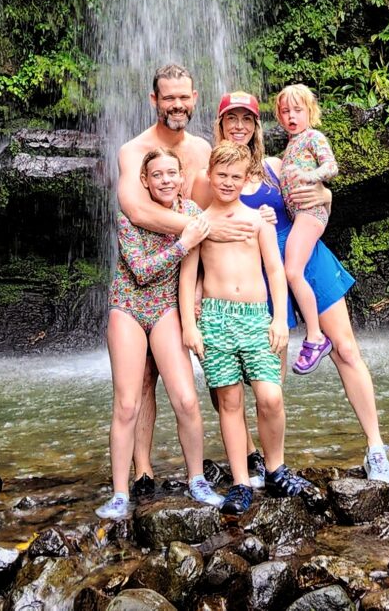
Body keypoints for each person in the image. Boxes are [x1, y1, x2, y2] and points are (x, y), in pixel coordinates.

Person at [195, 91, 389, 484]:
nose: (239, 127)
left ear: (256, 127)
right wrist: (203, 287)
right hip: (265, 272)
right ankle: (263, 460)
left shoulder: (275, 163)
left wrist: (326, 193)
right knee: (268, 376)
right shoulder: (211, 178)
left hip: (304, 257)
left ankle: (375, 448)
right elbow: (203, 232)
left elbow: (315, 200)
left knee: (346, 348)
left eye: (247, 120)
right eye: (230, 120)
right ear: (219, 126)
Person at [117, 64, 257, 497]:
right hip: (147, 282)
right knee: (142, 379)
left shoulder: (202, 149)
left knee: (217, 368)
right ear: (154, 100)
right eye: (168, 98)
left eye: (184, 97)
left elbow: (233, 187)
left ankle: (247, 455)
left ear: (195, 99)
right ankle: (142, 470)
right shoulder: (132, 150)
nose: (177, 105)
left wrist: (311, 197)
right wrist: (199, 230)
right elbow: (137, 212)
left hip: (194, 280)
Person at [179, 141, 311, 515]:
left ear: (246, 178)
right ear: (210, 175)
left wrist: (280, 319)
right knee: (229, 401)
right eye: (221, 175)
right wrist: (191, 326)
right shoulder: (201, 222)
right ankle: (240, 481)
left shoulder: (258, 221)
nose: (227, 182)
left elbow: (275, 271)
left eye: (235, 176)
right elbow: (188, 278)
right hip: (216, 318)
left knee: (270, 396)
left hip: (256, 316)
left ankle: (275, 468)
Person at [96, 147, 225, 519]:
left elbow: (217, 241)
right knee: (127, 403)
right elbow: (140, 270)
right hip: (129, 308)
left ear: (182, 176)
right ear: (145, 181)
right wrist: (184, 243)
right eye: (157, 175)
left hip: (167, 308)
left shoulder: (193, 213)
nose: (166, 180)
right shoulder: (130, 219)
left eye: (172, 173)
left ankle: (197, 478)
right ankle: (120, 492)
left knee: (185, 399)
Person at [275, 83, 339, 375]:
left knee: (292, 272)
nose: (292, 116)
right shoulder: (289, 147)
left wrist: (311, 177)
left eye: (298, 110)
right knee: (292, 271)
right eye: (286, 111)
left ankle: (315, 336)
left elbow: (331, 167)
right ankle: (313, 334)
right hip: (300, 214)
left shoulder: (313, 136)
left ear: (310, 112)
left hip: (310, 212)